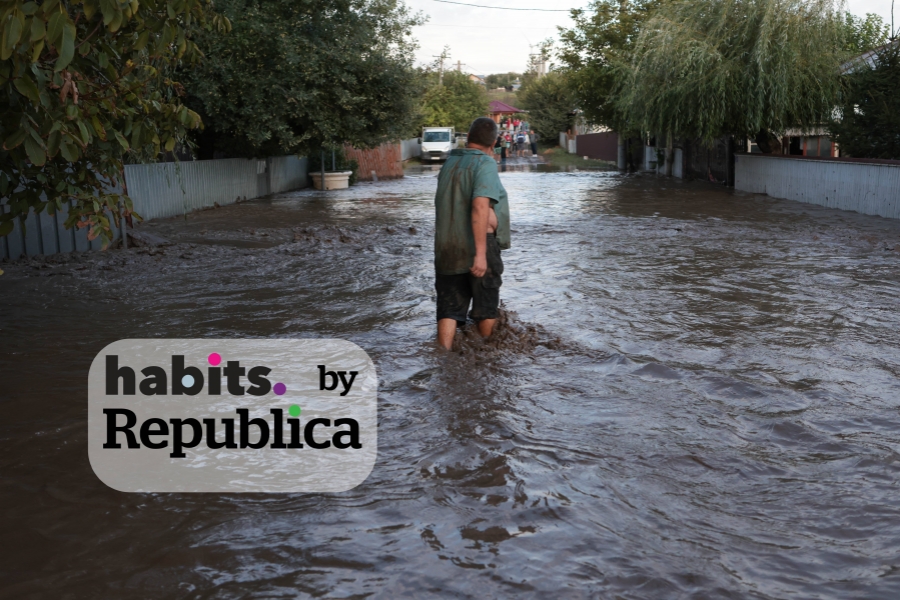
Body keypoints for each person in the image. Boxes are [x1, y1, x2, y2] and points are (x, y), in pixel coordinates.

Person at [433, 117, 511, 349]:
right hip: (479, 245)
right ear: (495, 141)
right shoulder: (485, 163)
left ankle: (443, 358)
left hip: (447, 246)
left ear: (468, 138)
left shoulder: (450, 163)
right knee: (485, 308)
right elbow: (479, 206)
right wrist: (480, 254)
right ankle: (488, 359)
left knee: (449, 309)